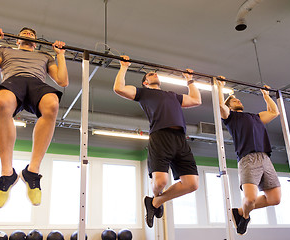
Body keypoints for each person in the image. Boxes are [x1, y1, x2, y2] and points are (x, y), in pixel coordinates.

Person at [0, 26, 69, 209]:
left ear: (36, 43)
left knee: (52, 103)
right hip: (14, 80)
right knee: (3, 101)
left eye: (32, 34)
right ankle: (7, 174)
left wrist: (60, 55)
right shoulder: (5, 50)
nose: (29, 35)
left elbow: (62, 81)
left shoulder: (45, 56)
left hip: (37, 83)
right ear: (17, 40)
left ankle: (32, 171)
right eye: (24, 34)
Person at [113, 55, 201, 228]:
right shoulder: (143, 93)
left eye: (154, 73)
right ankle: (156, 199)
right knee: (160, 182)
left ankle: (154, 202)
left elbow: (196, 100)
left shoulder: (173, 95)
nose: (153, 74)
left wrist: (190, 81)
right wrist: (124, 67)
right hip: (160, 137)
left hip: (180, 139)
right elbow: (118, 88)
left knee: (192, 184)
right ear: (145, 82)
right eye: (149, 74)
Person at [217, 79, 281, 235]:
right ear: (229, 106)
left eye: (238, 99)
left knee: (275, 199)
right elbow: (220, 106)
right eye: (233, 100)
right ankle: (245, 216)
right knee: (250, 199)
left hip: (265, 158)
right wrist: (219, 87)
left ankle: (239, 211)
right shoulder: (230, 118)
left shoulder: (256, 117)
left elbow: (274, 112)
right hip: (248, 158)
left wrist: (266, 95)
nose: (237, 100)